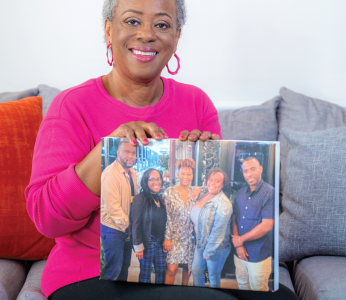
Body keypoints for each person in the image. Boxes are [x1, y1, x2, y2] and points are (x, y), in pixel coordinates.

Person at [24, 0, 223, 299]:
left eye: (162, 24)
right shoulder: (71, 106)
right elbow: (46, 220)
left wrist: (203, 163)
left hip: (172, 263)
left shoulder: (198, 103)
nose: (146, 34)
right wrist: (107, 150)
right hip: (89, 275)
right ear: (108, 30)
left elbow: (202, 204)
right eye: (132, 21)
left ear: (177, 36)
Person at [231, 157, 275, 291]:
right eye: (245, 171)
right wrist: (239, 246)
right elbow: (234, 218)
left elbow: (267, 225)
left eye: (253, 169)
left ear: (261, 169)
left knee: (259, 289)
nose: (249, 174)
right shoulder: (240, 193)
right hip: (239, 252)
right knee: (242, 285)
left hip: (259, 253)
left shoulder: (270, 193)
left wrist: (240, 240)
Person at [101, 139, 138, 281]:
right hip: (114, 228)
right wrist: (129, 225)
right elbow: (113, 208)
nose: (131, 156)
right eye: (127, 152)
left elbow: (133, 198)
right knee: (113, 271)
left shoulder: (132, 173)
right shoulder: (111, 173)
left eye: (133, 153)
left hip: (126, 227)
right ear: (118, 153)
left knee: (124, 267)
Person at [191, 168, 233, 288]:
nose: (212, 183)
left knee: (213, 276)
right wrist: (198, 189)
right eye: (210, 179)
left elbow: (218, 230)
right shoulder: (204, 194)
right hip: (201, 242)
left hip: (216, 246)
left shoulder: (223, 203)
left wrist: (208, 251)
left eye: (217, 181)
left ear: (223, 184)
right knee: (196, 270)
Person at [163, 158, 199, 286]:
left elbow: (212, 187)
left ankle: (184, 290)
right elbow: (166, 216)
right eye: (183, 173)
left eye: (189, 174)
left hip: (190, 237)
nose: (186, 177)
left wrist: (200, 189)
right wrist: (167, 238)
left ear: (192, 175)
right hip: (174, 236)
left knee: (187, 267)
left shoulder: (194, 192)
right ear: (178, 174)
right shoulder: (169, 192)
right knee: (172, 269)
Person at [131, 168, 167, 284]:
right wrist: (138, 247)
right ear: (146, 181)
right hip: (148, 242)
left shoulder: (158, 197)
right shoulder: (140, 198)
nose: (156, 182)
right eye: (152, 179)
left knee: (161, 271)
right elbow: (135, 223)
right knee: (145, 274)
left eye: (158, 179)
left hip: (159, 242)